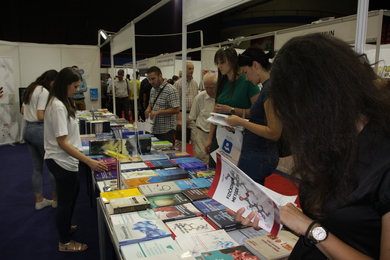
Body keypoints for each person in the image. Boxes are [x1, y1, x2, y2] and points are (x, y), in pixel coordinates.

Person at [227, 33, 390, 259]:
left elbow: (318, 228)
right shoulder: (333, 142)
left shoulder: (383, 158)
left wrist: (310, 229)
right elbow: (330, 222)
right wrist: (276, 217)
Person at [44, 67, 108, 252]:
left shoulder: (61, 102)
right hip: (61, 159)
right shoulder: (57, 105)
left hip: (66, 159)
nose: (77, 90)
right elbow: (62, 142)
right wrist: (88, 161)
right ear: (65, 85)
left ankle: (65, 228)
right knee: (65, 203)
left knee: (70, 198)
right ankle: (64, 243)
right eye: (75, 86)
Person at [225, 46, 282, 185]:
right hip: (259, 154)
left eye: (245, 72)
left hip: (258, 156)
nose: (246, 78)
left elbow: (274, 132)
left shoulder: (269, 90)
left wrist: (241, 122)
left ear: (255, 65)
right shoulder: (268, 88)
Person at [205, 46, 260, 168]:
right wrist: (210, 138)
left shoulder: (247, 81)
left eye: (222, 62)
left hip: (240, 139)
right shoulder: (222, 83)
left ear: (232, 61)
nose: (219, 66)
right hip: (220, 136)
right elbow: (215, 112)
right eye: (217, 63)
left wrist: (232, 110)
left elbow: (258, 113)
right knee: (216, 172)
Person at [21, 69, 58, 210]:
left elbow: (22, 111)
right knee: (52, 166)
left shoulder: (31, 88)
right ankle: (56, 200)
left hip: (27, 129)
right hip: (39, 130)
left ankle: (39, 200)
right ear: (51, 80)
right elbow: (41, 116)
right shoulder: (44, 92)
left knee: (37, 168)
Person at [145, 66, 180, 144]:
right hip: (153, 128)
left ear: (160, 76)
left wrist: (158, 112)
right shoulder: (153, 89)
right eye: (149, 79)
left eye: (153, 79)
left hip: (166, 131)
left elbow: (176, 109)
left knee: (166, 153)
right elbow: (151, 103)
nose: (151, 82)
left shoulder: (171, 90)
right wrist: (148, 109)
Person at [188, 72, 217, 166]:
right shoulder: (200, 98)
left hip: (218, 134)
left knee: (215, 160)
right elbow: (193, 117)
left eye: (211, 87)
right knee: (202, 159)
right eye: (206, 87)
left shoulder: (222, 97)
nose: (208, 90)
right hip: (202, 132)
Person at [174, 62, 199, 151]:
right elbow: (175, 102)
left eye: (193, 69)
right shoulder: (178, 84)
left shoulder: (195, 83)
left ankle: (196, 160)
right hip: (181, 114)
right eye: (189, 69)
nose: (191, 71)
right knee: (179, 141)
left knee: (195, 139)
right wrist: (178, 118)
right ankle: (177, 158)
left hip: (192, 115)